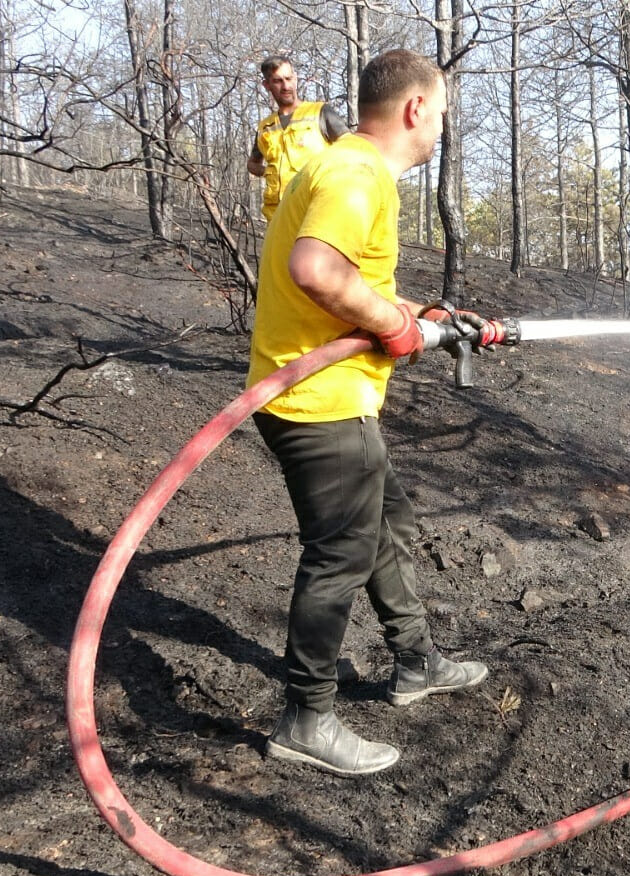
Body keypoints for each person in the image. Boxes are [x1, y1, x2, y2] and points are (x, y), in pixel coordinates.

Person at [247, 49, 500, 777]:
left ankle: (415, 661)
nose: (441, 126)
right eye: (442, 111)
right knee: (340, 555)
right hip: (317, 404)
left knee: (384, 525)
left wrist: (432, 317)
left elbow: (354, 286)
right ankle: (306, 717)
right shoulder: (358, 174)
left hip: (330, 397)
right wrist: (397, 331)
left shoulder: (343, 169)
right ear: (417, 108)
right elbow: (317, 272)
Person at [247, 54, 349, 222]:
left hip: (316, 214)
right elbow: (252, 164)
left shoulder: (319, 112)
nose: (286, 86)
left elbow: (351, 149)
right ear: (267, 85)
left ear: (295, 79)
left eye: (288, 78)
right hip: (278, 219)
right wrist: (269, 173)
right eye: (278, 81)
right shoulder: (265, 127)